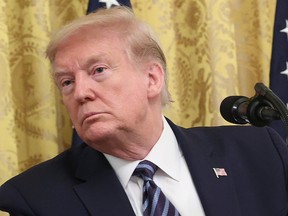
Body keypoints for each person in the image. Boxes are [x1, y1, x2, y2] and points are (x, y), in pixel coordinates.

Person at [0, 6, 288, 216]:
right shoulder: (35, 198)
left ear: (152, 78)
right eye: (66, 82)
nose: (80, 92)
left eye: (98, 70)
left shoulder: (260, 153)